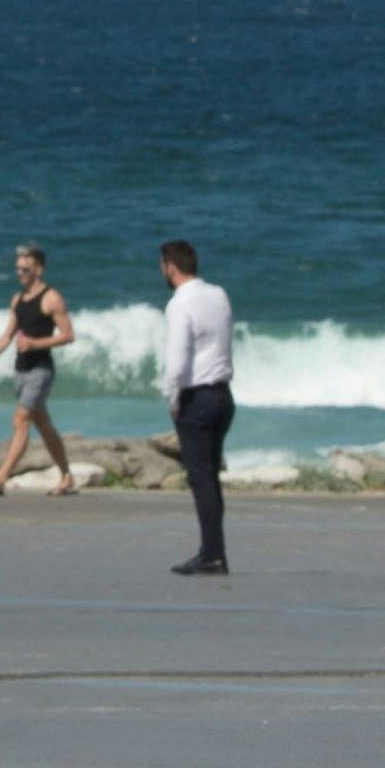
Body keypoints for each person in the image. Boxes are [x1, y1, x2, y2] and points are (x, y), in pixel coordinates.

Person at [0, 243, 74, 496]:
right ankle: (66, 475)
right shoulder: (18, 299)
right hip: (21, 370)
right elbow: (7, 337)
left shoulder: (51, 298)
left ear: (39, 269)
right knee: (44, 426)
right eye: (18, 269)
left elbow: (68, 335)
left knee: (21, 418)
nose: (21, 273)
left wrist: (35, 343)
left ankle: (1, 476)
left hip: (40, 370)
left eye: (26, 268)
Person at [155, 241, 234, 574]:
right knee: (210, 478)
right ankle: (214, 550)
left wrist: (173, 399)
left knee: (200, 479)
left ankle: (212, 555)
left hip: (196, 398)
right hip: (222, 395)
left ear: (170, 267)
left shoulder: (179, 304)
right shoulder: (219, 295)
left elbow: (177, 358)